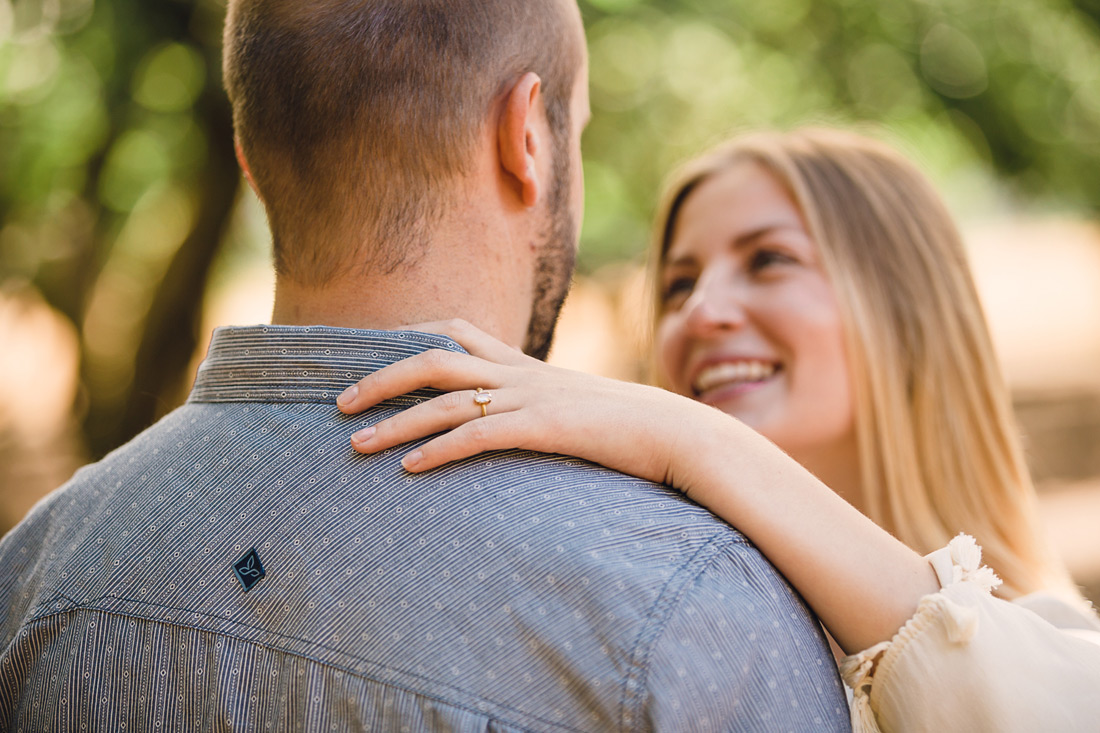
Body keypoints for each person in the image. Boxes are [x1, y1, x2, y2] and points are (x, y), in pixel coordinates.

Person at [0, 4, 851, 731]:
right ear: (527, 137)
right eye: (575, 130)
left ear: (249, 158)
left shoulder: (32, 572)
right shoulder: (691, 607)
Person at [337, 128, 1100, 732]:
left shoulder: (1057, 649)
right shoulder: (659, 613)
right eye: (678, 283)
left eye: (769, 260)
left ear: (907, 311)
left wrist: (697, 438)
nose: (700, 312)